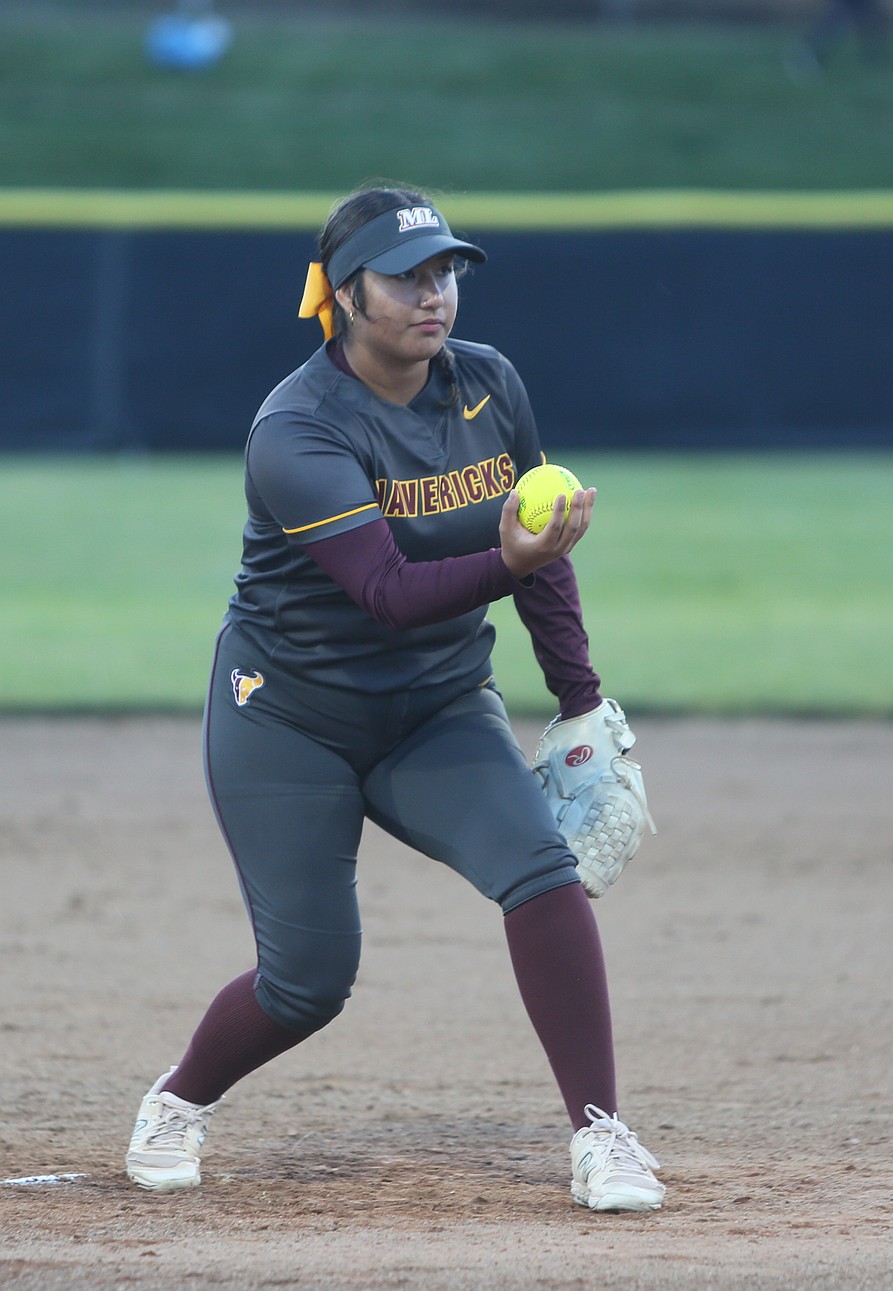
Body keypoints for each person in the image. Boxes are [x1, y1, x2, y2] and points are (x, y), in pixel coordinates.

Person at [124, 184, 664, 1214]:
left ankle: (603, 1132)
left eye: (446, 271)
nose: (435, 295)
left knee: (543, 873)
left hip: (436, 707)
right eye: (407, 276)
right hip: (288, 717)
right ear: (342, 292)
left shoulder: (490, 386)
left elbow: (541, 561)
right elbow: (386, 592)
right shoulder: (297, 428)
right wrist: (512, 560)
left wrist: (581, 700)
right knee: (309, 982)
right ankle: (179, 1098)